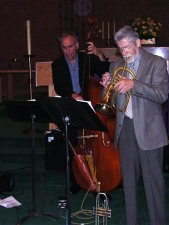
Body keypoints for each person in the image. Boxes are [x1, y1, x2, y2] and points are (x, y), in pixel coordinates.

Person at [100, 25, 169, 224]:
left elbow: (162, 94)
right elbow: (109, 99)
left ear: (138, 43)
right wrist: (107, 87)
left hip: (149, 130)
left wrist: (134, 85)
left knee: (153, 185)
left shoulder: (156, 63)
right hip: (126, 129)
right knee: (129, 185)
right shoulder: (115, 66)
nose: (124, 53)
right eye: (121, 49)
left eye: (127, 48)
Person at [52, 31, 110, 194]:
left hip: (90, 105)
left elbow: (106, 70)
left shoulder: (88, 59)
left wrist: (99, 54)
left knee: (96, 139)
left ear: (77, 45)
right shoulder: (57, 64)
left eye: (70, 46)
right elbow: (59, 86)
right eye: (64, 47)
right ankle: (76, 180)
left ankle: (99, 179)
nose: (67, 51)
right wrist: (73, 95)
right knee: (71, 142)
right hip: (71, 105)